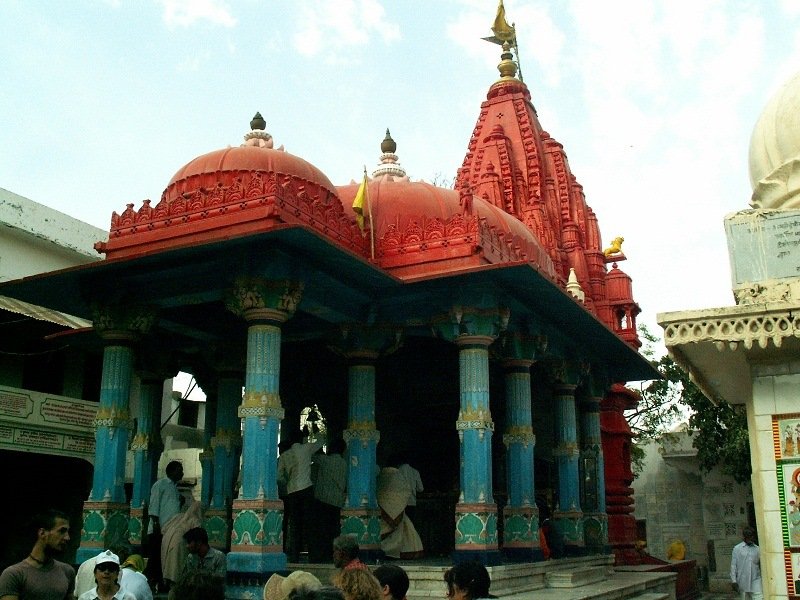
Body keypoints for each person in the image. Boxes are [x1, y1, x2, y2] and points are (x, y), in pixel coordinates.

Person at [0, 509, 75, 600]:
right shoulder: (14, 574)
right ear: (42, 533)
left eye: (67, 532)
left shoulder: (67, 571)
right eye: (61, 531)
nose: (67, 537)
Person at [278, 430, 325, 562]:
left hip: (292, 493)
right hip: (306, 490)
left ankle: (294, 556)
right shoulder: (306, 448)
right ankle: (313, 556)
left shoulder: (285, 456)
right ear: (301, 439)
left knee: (295, 525)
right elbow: (321, 441)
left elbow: (279, 477)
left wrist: (288, 481)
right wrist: (315, 431)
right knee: (310, 524)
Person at [145, 461, 184, 591]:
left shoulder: (174, 487)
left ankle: (162, 584)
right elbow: (154, 504)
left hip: (170, 529)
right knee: (155, 558)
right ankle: (149, 584)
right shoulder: (160, 484)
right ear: (172, 471)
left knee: (165, 559)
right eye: (180, 470)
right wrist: (155, 523)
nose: (182, 473)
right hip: (159, 529)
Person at [309, 439, 348, 563]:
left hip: (323, 501)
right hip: (337, 501)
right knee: (333, 530)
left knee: (321, 531)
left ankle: (320, 555)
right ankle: (333, 556)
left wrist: (317, 441)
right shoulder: (344, 463)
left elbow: (310, 455)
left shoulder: (325, 460)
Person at [376, 465, 423, 559]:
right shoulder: (402, 475)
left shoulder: (384, 476)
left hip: (392, 513)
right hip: (408, 505)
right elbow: (420, 489)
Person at [161, 496, 202, 590]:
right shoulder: (195, 520)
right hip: (179, 545)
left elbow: (163, 529)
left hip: (166, 542)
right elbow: (198, 535)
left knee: (170, 567)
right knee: (177, 570)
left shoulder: (178, 516)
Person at [731, 526, 762, 600]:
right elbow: (733, 566)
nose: (751, 538)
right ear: (745, 537)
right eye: (749, 537)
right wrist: (733, 581)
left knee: (759, 597)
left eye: (752, 536)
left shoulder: (757, 549)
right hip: (743, 580)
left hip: (756, 580)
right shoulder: (737, 549)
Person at [396, 458, 423, 524]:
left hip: (400, 504)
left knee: (401, 526)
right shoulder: (415, 472)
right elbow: (421, 489)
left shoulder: (397, 471)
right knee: (410, 527)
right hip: (412, 503)